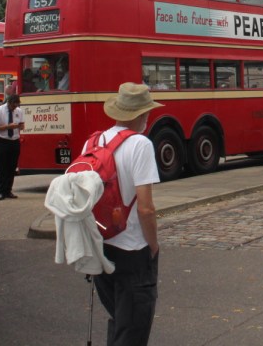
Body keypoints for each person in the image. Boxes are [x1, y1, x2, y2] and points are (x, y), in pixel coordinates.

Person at [91, 82, 162, 346]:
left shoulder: (95, 140)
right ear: (141, 114)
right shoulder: (140, 144)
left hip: (101, 244)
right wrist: (153, 245)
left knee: (120, 322)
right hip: (133, 249)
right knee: (133, 330)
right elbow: (146, 207)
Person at [0, 94, 24, 200]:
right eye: (13, 105)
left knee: (12, 167)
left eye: (16, 105)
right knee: (2, 167)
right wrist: (8, 127)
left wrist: (20, 126)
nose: (15, 108)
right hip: (2, 141)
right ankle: (1, 191)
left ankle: (8, 190)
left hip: (14, 141)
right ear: (9, 103)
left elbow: (22, 125)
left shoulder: (19, 111)